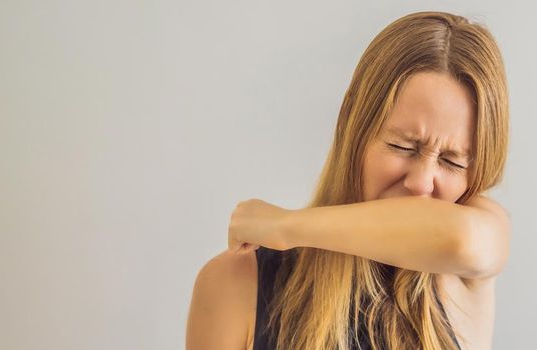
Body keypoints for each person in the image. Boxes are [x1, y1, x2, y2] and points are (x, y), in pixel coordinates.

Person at [187, 11, 510, 350]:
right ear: (353, 130)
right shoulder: (236, 283)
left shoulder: (466, 272)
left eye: (451, 161)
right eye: (403, 146)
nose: (421, 183)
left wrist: (285, 225)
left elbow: (462, 239)